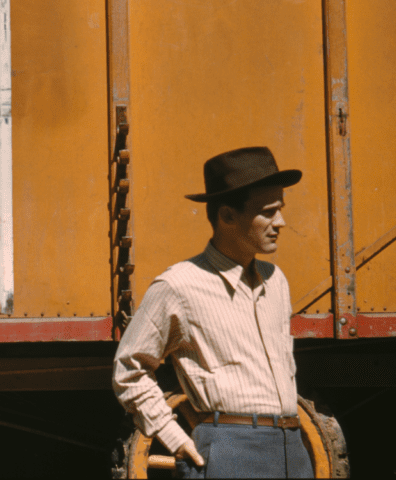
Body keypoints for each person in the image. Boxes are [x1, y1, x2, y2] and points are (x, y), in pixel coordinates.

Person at [113, 147, 313, 478]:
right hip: (228, 449)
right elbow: (129, 370)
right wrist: (173, 436)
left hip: (293, 448)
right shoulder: (178, 286)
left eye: (281, 210)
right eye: (268, 212)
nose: (281, 222)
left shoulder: (276, 282)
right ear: (228, 216)